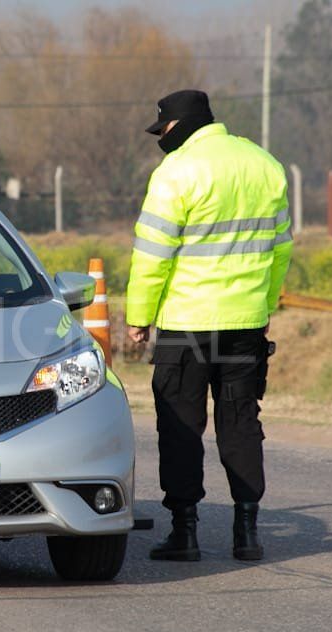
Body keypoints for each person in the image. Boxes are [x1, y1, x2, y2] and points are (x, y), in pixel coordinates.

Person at [126, 89, 292, 562]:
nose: (162, 140)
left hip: (186, 325)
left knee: (181, 426)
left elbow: (153, 255)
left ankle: (186, 532)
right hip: (245, 323)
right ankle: (247, 530)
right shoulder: (265, 164)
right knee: (240, 421)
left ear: (177, 126)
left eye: (163, 131)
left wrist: (140, 316)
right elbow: (281, 249)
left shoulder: (176, 172)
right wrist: (263, 306)